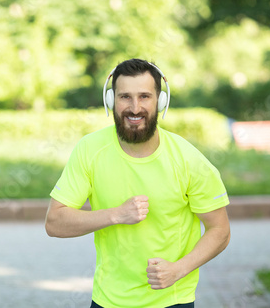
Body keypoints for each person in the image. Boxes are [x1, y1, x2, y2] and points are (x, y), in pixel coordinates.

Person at [45, 58, 231, 308]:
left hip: (172, 300)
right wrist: (115, 215)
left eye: (144, 96)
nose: (134, 108)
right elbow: (54, 222)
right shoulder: (89, 150)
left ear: (160, 101)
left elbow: (220, 230)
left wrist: (178, 269)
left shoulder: (189, 160)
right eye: (125, 97)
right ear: (111, 101)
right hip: (108, 300)